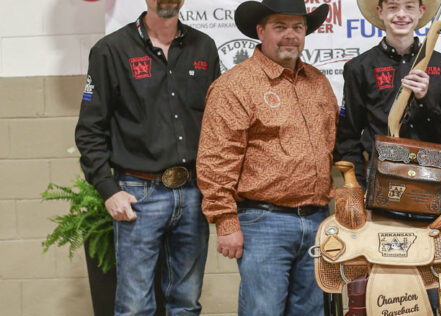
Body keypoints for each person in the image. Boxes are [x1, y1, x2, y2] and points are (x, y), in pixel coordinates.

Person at [74, 0, 220, 314]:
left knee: (186, 304)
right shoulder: (110, 51)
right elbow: (89, 130)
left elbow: (219, 125)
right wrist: (109, 190)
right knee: (134, 307)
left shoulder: (204, 47)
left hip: (194, 194)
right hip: (139, 193)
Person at [195, 0, 337, 314]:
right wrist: (226, 220)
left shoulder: (319, 82)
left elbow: (332, 145)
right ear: (260, 31)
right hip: (264, 221)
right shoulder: (235, 86)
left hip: (317, 219)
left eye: (298, 27)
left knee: (312, 311)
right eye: (280, 26)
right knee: (264, 310)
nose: (291, 35)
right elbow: (216, 159)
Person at [334, 0, 441, 190]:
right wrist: (357, 187)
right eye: (393, 7)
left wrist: (425, 99)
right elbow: (348, 136)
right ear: (380, 12)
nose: (401, 14)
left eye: (409, 7)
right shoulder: (359, 67)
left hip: (432, 179)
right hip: (381, 179)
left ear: (421, 12)